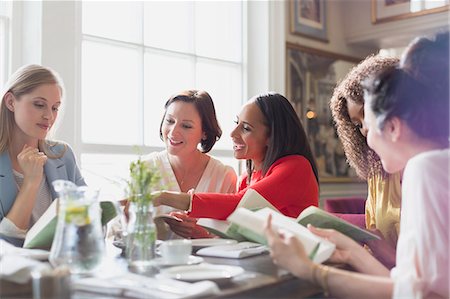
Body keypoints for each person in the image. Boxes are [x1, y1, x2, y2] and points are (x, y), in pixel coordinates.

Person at [265, 31, 449, 298]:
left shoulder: (426, 169)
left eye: (369, 124)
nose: (365, 136)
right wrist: (350, 250)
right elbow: (410, 285)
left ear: (394, 126)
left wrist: (307, 269)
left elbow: (417, 295)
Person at [154, 92, 319, 236]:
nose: (232, 133)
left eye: (246, 128)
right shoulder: (246, 179)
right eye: (236, 123)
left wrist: (163, 197)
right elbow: (237, 232)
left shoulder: (296, 167)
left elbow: (239, 204)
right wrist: (198, 232)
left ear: (271, 136)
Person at [0, 64, 86, 244]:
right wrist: (31, 182)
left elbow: (90, 224)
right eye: (39, 105)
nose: (49, 116)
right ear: (10, 102)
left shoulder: (63, 155)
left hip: (61, 267)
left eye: (55, 108)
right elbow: (4, 244)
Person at [329, 54, 400, 268]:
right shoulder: (379, 174)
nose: (365, 129)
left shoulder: (433, 168)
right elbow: (372, 247)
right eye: (357, 124)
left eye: (365, 114)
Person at [143, 90, 237, 239]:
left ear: (204, 132)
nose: (173, 132)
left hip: (210, 262)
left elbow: (233, 238)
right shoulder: (144, 169)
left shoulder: (224, 176)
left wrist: (203, 235)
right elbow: (117, 233)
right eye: (170, 121)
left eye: (186, 126)